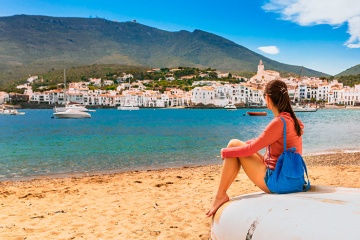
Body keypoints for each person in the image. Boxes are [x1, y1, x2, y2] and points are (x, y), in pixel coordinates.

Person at [206, 79, 304, 217]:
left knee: (233, 144)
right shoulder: (293, 121)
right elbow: (260, 142)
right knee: (237, 147)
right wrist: (244, 145)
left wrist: (225, 152)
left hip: (277, 181)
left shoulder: (279, 122)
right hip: (295, 179)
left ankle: (220, 195)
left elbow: (250, 150)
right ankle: (220, 195)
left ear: (268, 98)